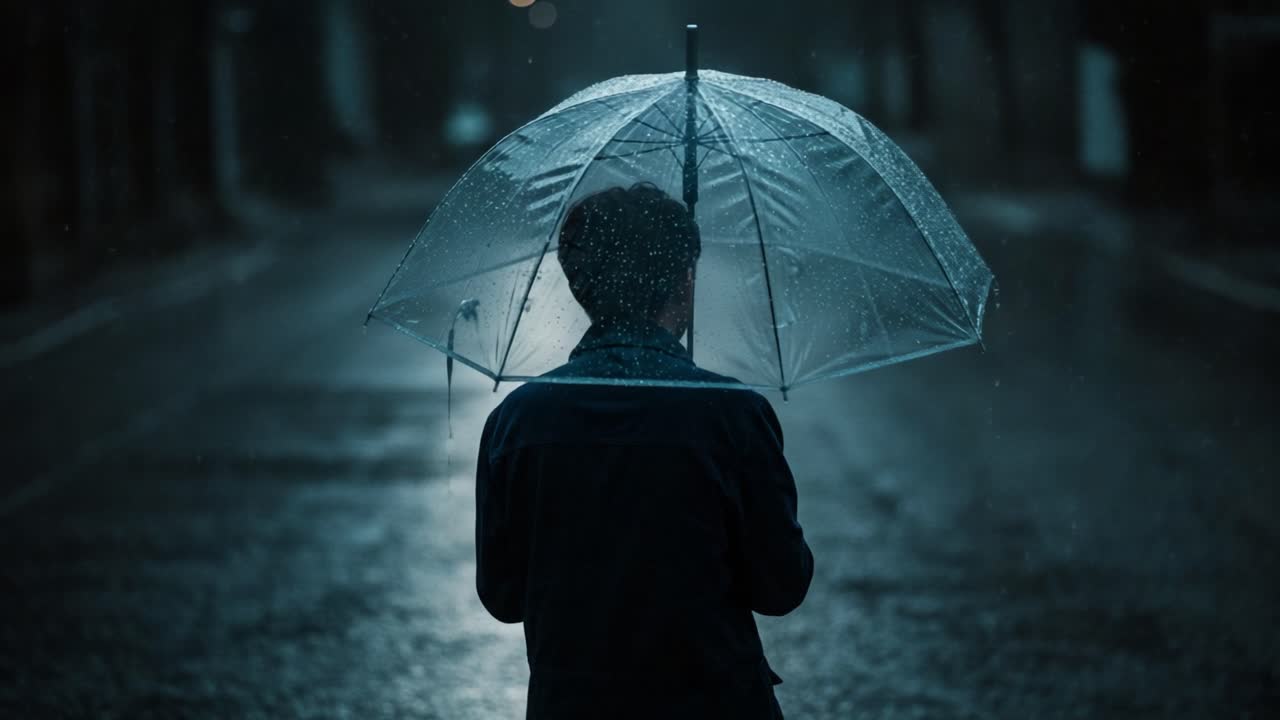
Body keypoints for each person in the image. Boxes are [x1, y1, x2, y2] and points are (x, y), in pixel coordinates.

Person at [475, 183, 814, 719]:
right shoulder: (732, 415)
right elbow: (781, 586)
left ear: (579, 284)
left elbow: (503, 594)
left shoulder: (517, 421)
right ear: (683, 280)